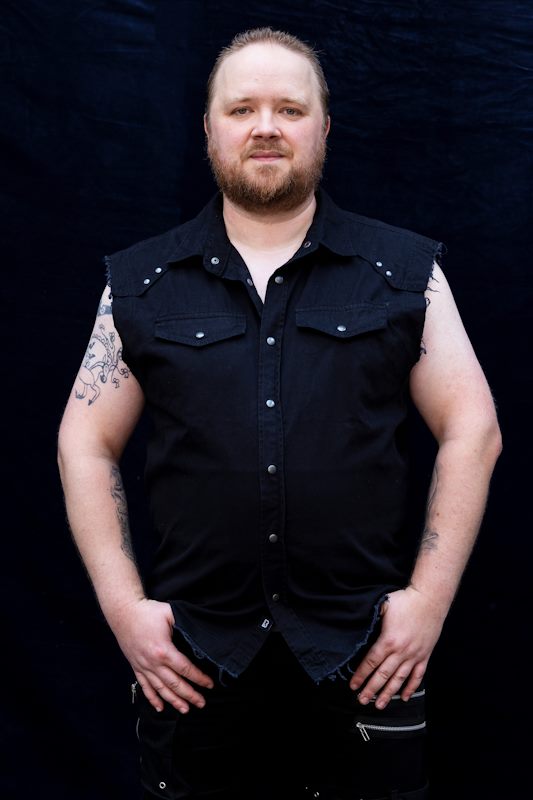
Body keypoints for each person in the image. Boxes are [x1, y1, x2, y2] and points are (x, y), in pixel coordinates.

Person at [57, 26, 502, 800]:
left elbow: (473, 430)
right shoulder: (141, 282)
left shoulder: (403, 272)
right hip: (194, 662)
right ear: (209, 128)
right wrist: (124, 609)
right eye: (243, 109)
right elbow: (84, 441)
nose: (265, 127)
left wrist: (427, 605)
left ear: (323, 127)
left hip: (365, 655)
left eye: (289, 109)